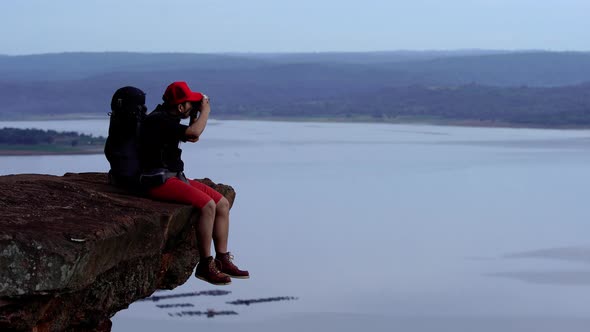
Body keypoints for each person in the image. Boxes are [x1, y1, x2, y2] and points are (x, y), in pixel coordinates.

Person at [139, 81, 249, 286]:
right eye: (190, 104)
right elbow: (194, 134)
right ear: (180, 107)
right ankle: (206, 265)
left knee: (222, 203)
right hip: (157, 180)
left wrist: (194, 112)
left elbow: (191, 137)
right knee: (207, 205)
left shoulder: (168, 116)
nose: (194, 106)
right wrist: (205, 111)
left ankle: (222, 259)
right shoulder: (159, 120)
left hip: (173, 176)